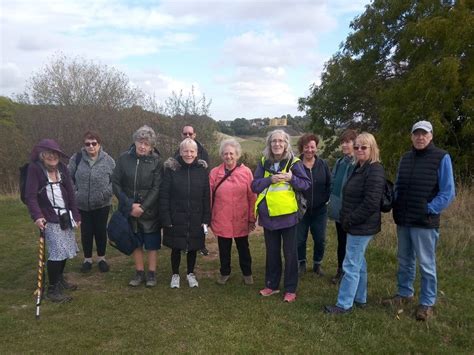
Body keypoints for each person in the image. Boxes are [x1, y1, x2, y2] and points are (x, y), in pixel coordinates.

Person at [382, 121, 455, 321]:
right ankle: (404, 293)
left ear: (431, 136)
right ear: (411, 136)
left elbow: (448, 192)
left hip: (424, 221)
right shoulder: (405, 158)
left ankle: (427, 303)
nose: (420, 137)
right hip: (403, 219)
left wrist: (429, 208)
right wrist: (393, 202)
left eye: (424, 134)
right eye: (416, 134)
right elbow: (398, 185)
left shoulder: (441, 157)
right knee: (405, 260)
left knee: (426, 264)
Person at [324, 133, 385, 314]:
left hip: (361, 225)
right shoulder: (359, 167)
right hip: (356, 223)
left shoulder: (374, 170)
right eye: (357, 146)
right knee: (360, 263)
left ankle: (343, 305)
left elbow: (371, 203)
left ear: (372, 148)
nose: (359, 150)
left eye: (363, 147)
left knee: (350, 265)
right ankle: (360, 298)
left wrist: (350, 220)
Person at [252, 129, 311, 303]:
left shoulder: (294, 162)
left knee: (290, 254)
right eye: (273, 141)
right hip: (268, 216)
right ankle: (271, 285)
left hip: (288, 217)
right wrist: (269, 180)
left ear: (286, 144)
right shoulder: (264, 162)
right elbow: (254, 186)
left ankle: (291, 289)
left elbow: (306, 184)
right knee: (272, 253)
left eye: (280, 141)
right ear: (269, 144)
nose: (277, 144)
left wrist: (292, 178)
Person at [25, 139, 81, 303]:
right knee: (57, 251)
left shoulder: (63, 169)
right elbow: (30, 196)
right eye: (48, 154)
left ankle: (59, 279)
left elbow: (71, 193)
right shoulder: (34, 169)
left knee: (65, 250)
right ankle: (53, 289)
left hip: (65, 216)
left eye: (55, 154)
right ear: (42, 156)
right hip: (48, 217)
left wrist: (76, 215)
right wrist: (37, 216)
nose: (52, 157)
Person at [112, 125, 162, 287]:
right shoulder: (123, 159)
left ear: (151, 146)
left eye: (146, 143)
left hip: (149, 211)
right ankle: (139, 272)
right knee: (136, 242)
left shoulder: (156, 162)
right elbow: (116, 183)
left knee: (152, 244)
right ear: (135, 142)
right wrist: (129, 205)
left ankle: (152, 274)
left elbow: (157, 187)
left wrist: (143, 207)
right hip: (129, 209)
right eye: (140, 142)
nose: (142, 146)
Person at [160, 138, 211, 289]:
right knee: (176, 246)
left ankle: (190, 273)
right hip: (176, 216)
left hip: (196, 216)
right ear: (180, 152)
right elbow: (164, 195)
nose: (189, 154)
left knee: (193, 247)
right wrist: (166, 217)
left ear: (196, 153)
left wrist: (206, 218)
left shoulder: (202, 171)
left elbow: (206, 196)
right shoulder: (171, 170)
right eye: (185, 151)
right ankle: (175, 274)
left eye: (192, 151)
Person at [210, 139, 256, 285]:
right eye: (225, 153)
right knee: (224, 248)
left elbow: (252, 197)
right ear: (221, 155)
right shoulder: (215, 172)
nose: (228, 156)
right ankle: (224, 272)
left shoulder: (246, 172)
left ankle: (247, 273)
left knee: (243, 247)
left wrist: (252, 218)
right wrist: (209, 217)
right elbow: (209, 196)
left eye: (231, 153)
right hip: (221, 217)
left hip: (241, 217)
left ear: (237, 155)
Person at [68, 131, 115, 273]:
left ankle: (102, 259)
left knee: (100, 232)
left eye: (94, 143)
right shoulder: (76, 159)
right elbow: (68, 178)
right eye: (87, 144)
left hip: (102, 204)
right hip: (82, 204)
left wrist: (105, 194)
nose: (91, 146)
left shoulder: (109, 160)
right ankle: (87, 260)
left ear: (99, 144)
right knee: (86, 233)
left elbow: (115, 181)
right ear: (84, 145)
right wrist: (76, 193)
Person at [295, 133, 331, 276]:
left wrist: (326, 199)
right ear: (302, 148)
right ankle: (301, 263)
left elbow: (330, 184)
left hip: (320, 210)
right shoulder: (295, 164)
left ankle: (317, 264)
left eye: (312, 147)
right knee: (299, 239)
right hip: (301, 210)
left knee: (320, 239)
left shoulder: (323, 164)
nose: (309, 150)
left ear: (316, 148)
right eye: (306, 147)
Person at [327, 129, 357, 284]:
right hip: (340, 211)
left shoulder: (358, 163)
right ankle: (341, 271)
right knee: (342, 242)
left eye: (348, 142)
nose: (345, 145)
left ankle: (351, 274)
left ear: (355, 143)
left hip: (353, 211)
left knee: (352, 245)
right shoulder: (340, 162)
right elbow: (333, 184)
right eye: (343, 142)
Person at [175, 124, 210, 256]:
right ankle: (182, 244)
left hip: (197, 192)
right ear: (181, 135)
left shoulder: (203, 152)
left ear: (194, 135)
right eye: (185, 134)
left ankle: (201, 245)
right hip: (181, 193)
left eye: (190, 133)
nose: (188, 136)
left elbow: (205, 173)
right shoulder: (177, 151)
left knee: (199, 222)